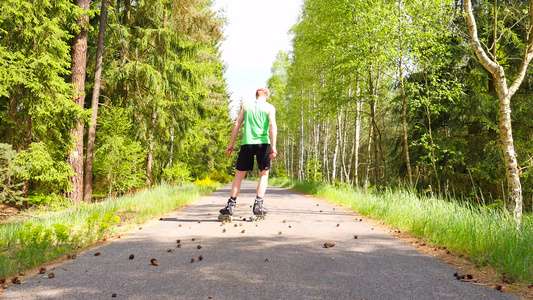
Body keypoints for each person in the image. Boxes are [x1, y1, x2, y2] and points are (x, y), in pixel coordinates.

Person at [219, 88, 277, 220]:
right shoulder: (269, 107)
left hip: (247, 144)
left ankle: (231, 205)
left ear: (256, 95)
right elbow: (273, 126)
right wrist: (273, 146)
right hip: (263, 144)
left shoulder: (246, 107)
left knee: (239, 175)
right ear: (266, 95)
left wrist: (231, 144)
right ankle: (258, 205)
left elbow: (236, 124)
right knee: (263, 174)